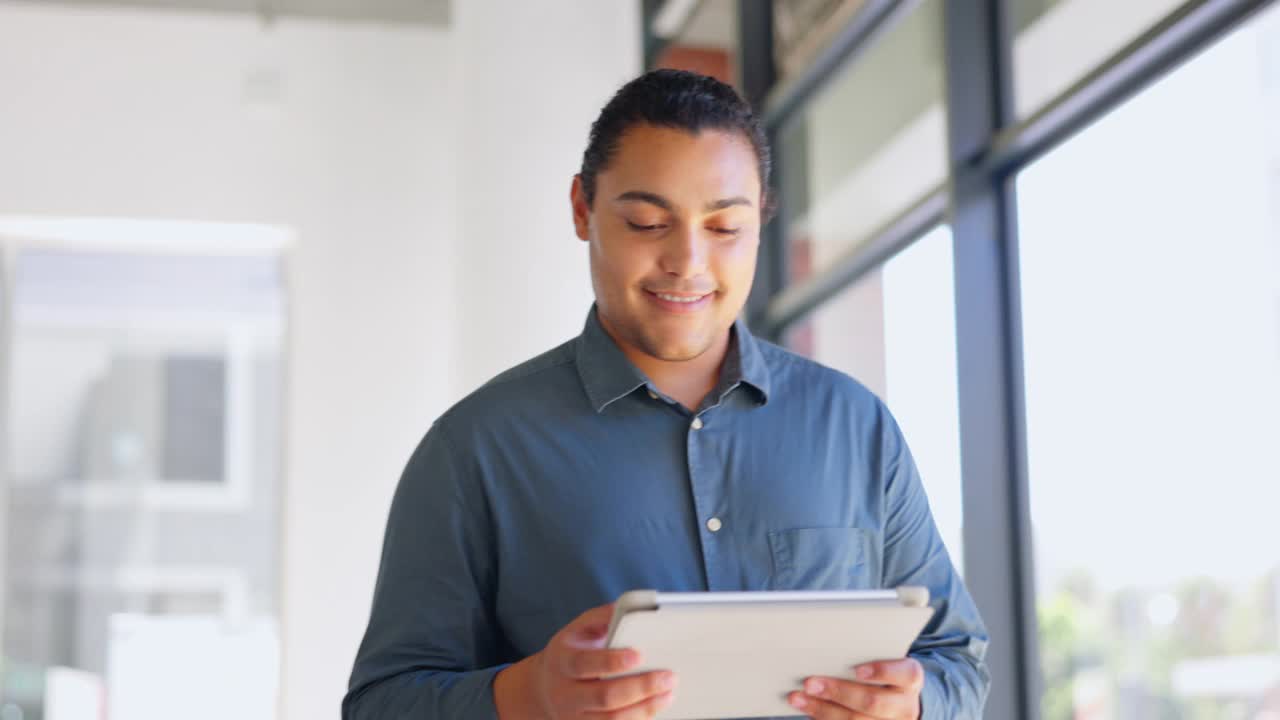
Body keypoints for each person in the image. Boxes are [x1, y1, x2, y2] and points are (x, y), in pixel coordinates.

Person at [343, 68, 989, 720]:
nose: (687, 262)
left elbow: (957, 662)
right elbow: (381, 704)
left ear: (761, 223)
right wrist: (528, 695)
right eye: (649, 222)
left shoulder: (856, 426)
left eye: (724, 228)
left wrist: (912, 705)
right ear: (581, 209)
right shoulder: (476, 450)